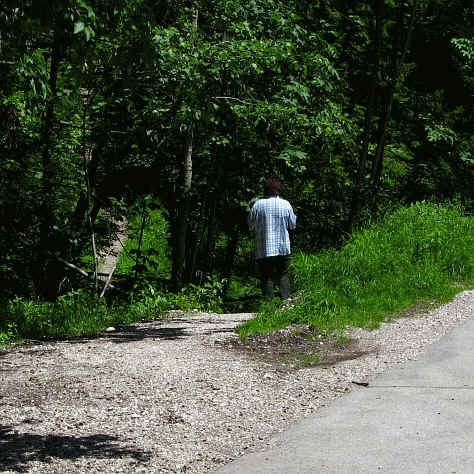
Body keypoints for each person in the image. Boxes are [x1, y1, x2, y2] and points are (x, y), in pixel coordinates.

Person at [248, 178, 296, 300]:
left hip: (263, 248)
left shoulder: (257, 205)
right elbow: (292, 225)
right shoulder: (286, 204)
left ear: (265, 190)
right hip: (282, 247)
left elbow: (251, 226)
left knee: (266, 276)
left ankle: (268, 306)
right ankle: (286, 302)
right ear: (279, 190)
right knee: (283, 274)